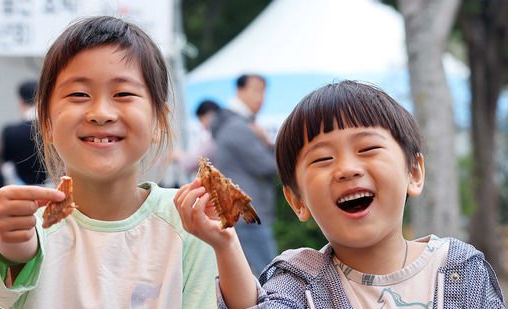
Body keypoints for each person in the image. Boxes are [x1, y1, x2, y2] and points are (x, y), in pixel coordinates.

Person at [175, 80, 506, 308]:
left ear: (414, 173)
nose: (347, 168)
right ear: (297, 201)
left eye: (368, 148)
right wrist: (226, 244)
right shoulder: (300, 280)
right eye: (323, 159)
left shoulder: (460, 268)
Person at [0, 16, 217, 308]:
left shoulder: (191, 220)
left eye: (123, 94)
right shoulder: (26, 224)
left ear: (158, 122)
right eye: (79, 94)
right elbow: (2, 287)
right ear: (47, 123)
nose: (101, 113)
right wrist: (13, 250)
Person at [209, 74, 278, 275]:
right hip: (248, 214)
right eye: (256, 90)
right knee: (269, 276)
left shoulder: (230, 124)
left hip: (241, 212)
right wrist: (268, 144)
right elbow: (268, 165)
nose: (261, 97)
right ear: (239, 91)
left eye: (264, 91)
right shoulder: (238, 127)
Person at [0, 79, 46, 185]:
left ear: (21, 102)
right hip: (53, 190)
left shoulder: (9, 132)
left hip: (21, 190)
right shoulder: (53, 129)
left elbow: (5, 166)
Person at [172, 99, 220, 175]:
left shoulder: (214, 138)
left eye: (201, 120)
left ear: (210, 115)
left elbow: (192, 162)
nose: (203, 126)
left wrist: (177, 156)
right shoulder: (224, 133)